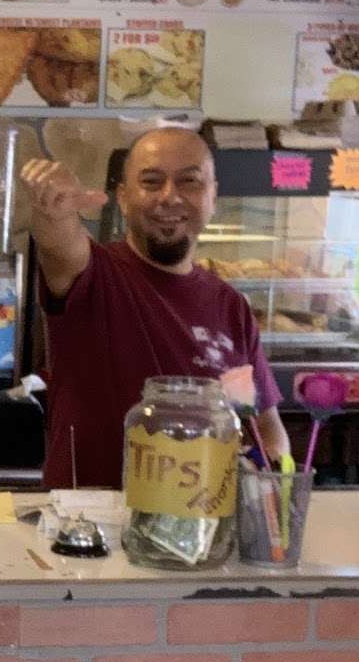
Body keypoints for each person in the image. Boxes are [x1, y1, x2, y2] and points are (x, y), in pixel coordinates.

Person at [21, 126, 289, 490]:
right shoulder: (95, 274)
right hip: (92, 519)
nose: (170, 196)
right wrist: (53, 211)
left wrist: (262, 468)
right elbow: (60, 245)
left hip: (202, 518)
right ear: (123, 198)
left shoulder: (231, 308)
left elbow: (263, 423)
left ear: (213, 197)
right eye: (151, 182)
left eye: (189, 181)